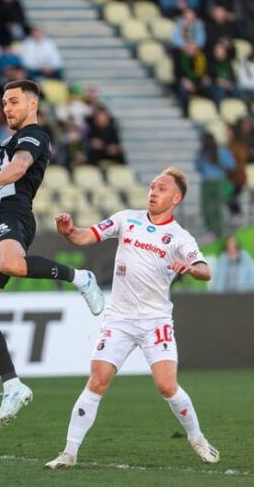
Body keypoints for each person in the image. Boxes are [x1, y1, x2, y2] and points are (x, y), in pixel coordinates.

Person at [0, 80, 104, 427]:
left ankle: (80, 278)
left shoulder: (34, 135)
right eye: (5, 102)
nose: (7, 108)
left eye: (14, 101)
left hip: (15, 216)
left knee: (11, 264)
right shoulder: (1, 146)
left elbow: (19, 169)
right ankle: (13, 386)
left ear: (32, 104)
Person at [45, 167, 220, 469]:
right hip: (119, 319)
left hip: (156, 321)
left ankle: (197, 438)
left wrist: (191, 268)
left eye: (162, 188)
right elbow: (86, 236)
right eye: (152, 186)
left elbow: (205, 271)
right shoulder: (127, 219)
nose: (153, 192)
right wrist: (69, 231)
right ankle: (69, 453)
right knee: (97, 380)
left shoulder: (180, 237)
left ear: (176, 198)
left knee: (166, 385)